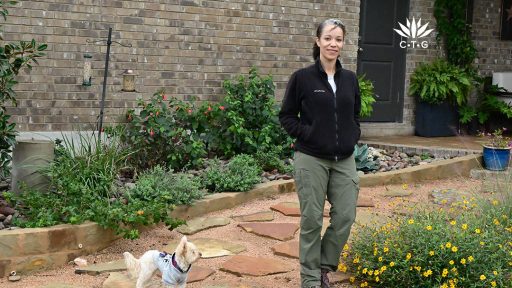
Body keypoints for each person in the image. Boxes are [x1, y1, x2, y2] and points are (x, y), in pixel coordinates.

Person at [279, 18, 361, 288]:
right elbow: (287, 116)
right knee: (312, 219)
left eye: (338, 39)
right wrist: (308, 134)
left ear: (343, 44)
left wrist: (352, 135)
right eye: (328, 38)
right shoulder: (302, 78)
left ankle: (324, 265)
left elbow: (355, 115)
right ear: (317, 41)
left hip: (344, 159)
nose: (333, 44)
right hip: (311, 158)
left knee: (346, 216)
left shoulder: (350, 79)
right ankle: (312, 280)